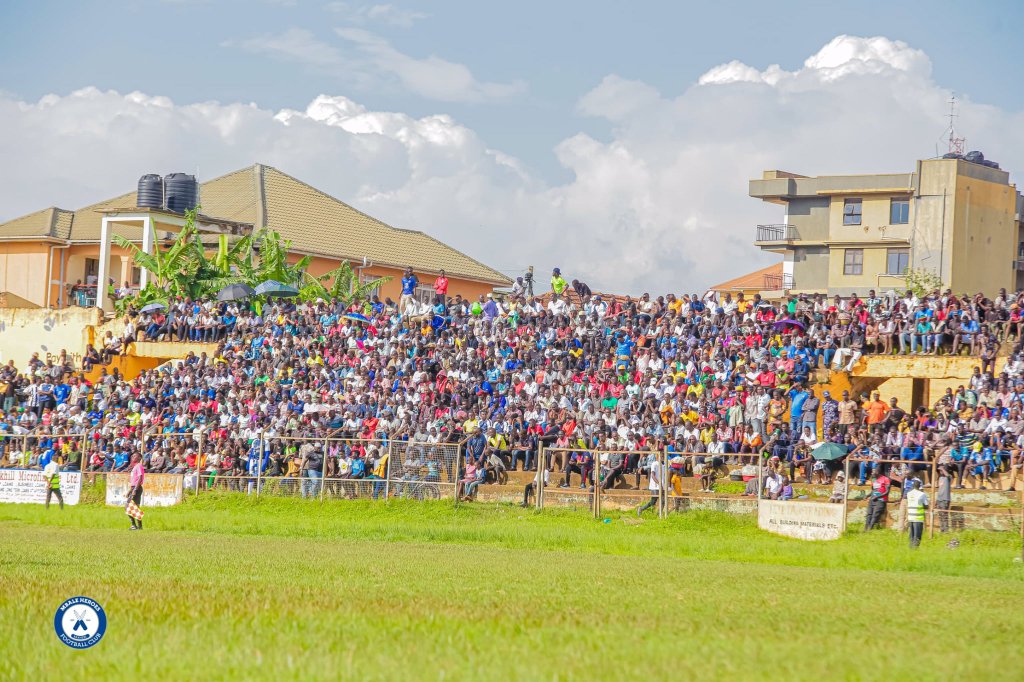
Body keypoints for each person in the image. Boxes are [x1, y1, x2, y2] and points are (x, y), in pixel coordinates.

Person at [905, 478, 928, 548]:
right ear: (920, 486)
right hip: (918, 518)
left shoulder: (908, 494)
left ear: (913, 486)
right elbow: (926, 506)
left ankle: (910, 548)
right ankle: (915, 549)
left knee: (911, 535)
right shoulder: (922, 494)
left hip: (910, 517)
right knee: (917, 536)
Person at [127, 453, 145, 530]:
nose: (133, 457)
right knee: (135, 507)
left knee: (128, 506)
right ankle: (139, 526)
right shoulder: (135, 467)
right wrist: (130, 490)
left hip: (137, 488)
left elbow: (140, 478)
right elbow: (134, 480)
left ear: (139, 458)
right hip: (134, 488)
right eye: (132, 456)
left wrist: (135, 490)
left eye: (135, 456)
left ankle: (134, 525)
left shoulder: (139, 466)